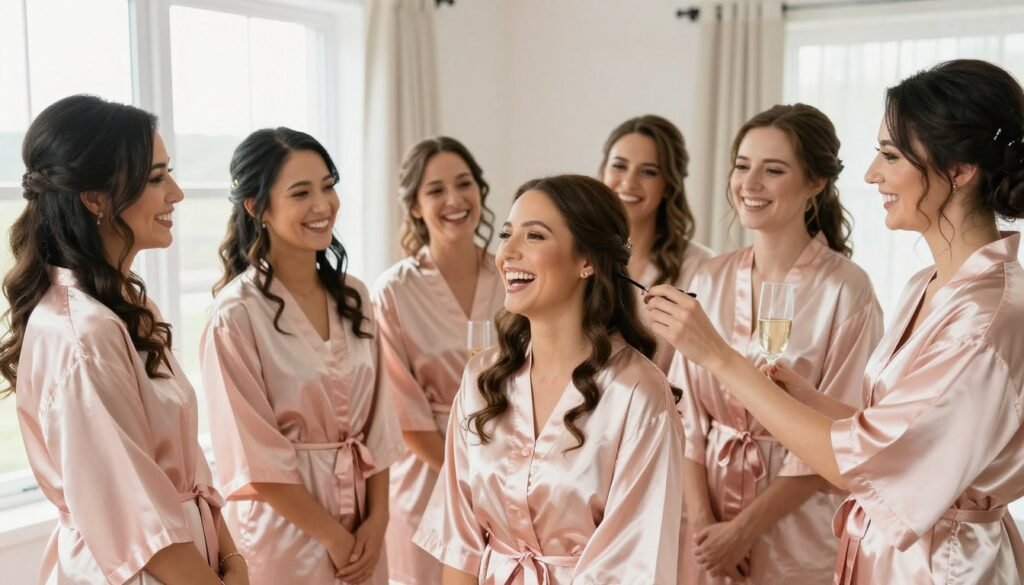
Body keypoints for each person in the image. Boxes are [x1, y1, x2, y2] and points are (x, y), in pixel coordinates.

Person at [650, 59, 1024, 584]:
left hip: (938, 567)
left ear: (960, 169)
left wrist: (718, 356)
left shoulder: (983, 320)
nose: (872, 174)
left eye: (891, 156)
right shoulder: (930, 286)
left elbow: (865, 463)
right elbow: (896, 433)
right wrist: (807, 398)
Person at [0, 95, 246, 585]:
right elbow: (134, 514)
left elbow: (185, 464)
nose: (176, 193)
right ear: (95, 198)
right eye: (156, 178)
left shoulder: (127, 307)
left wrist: (233, 558)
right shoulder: (81, 336)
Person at [413, 175, 684, 584]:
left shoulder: (638, 394)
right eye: (507, 234)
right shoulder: (482, 379)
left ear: (586, 260)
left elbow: (631, 566)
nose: (508, 252)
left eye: (535, 236)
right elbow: (460, 543)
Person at [666, 103, 883, 584]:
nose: (750, 183)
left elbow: (841, 427)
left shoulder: (847, 291)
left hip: (796, 531)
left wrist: (745, 530)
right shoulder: (709, 277)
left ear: (815, 183)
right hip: (705, 523)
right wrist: (706, 524)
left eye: (774, 170)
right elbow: (684, 413)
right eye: (742, 166)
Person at [201, 128, 403, 584]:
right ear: (257, 207)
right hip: (286, 537)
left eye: (328, 186)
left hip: (364, 529)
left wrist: (378, 520)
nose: (323, 204)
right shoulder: (235, 315)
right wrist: (333, 537)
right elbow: (255, 456)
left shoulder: (354, 297)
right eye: (301, 192)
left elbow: (380, 423)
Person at [372, 137, 504, 585]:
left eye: (464, 183)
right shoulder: (393, 292)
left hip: (510, 472)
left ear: (480, 192)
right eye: (435, 190)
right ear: (414, 206)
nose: (454, 199)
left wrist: (499, 478)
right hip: (428, 481)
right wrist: (469, 480)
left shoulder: (514, 276)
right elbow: (404, 415)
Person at [599, 114, 714, 373]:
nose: (629, 182)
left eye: (648, 172)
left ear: (668, 185)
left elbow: (704, 369)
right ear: (603, 171)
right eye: (619, 166)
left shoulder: (701, 268)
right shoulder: (578, 256)